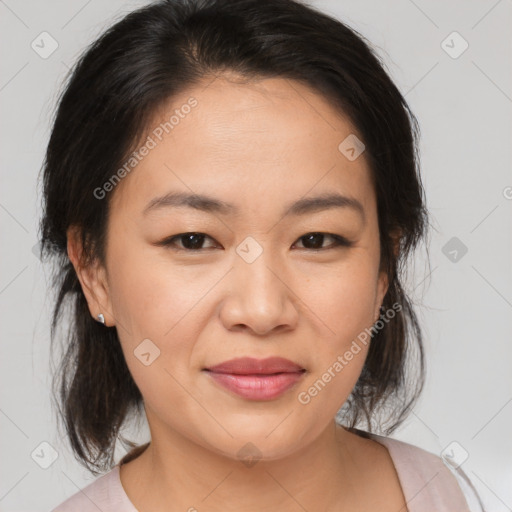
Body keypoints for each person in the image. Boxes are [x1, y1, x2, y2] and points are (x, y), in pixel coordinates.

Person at [40, 0, 484, 510]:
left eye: (316, 240)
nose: (262, 310)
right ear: (93, 270)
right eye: (193, 240)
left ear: (385, 265)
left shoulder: (449, 494)